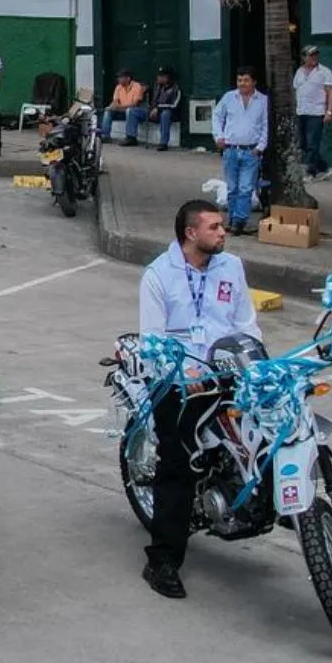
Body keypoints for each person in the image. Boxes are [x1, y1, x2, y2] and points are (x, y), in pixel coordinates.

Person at [137, 199, 262, 599]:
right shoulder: (158, 275)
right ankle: (162, 560)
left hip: (229, 371)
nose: (223, 232)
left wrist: (256, 362)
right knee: (178, 463)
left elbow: (246, 325)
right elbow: (153, 344)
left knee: (270, 432)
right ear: (191, 233)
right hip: (180, 381)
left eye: (222, 226)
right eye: (214, 227)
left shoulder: (232, 267)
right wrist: (182, 375)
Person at [212, 67, 269, 235]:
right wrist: (218, 136)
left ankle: (239, 221)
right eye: (239, 80)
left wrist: (260, 147)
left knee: (245, 188)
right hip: (230, 149)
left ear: (254, 82)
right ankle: (232, 218)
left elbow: (266, 125)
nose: (242, 84)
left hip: (251, 150)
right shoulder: (229, 98)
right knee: (232, 188)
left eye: (246, 80)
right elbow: (217, 116)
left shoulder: (263, 100)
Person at [292, 45, 332, 180]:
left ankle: (310, 173)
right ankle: (324, 168)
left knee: (313, 143)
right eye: (311, 55)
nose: (314, 57)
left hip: (317, 112)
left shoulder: (325, 71)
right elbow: (295, 90)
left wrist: (329, 111)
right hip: (301, 111)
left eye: (316, 54)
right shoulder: (299, 71)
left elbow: (330, 92)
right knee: (304, 144)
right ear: (304, 57)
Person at [127, 67, 180, 150]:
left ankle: (163, 143)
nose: (158, 78)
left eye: (161, 76)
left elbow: (174, 105)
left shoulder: (175, 88)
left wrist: (158, 109)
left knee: (165, 114)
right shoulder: (157, 86)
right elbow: (150, 98)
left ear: (167, 77)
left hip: (166, 114)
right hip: (152, 112)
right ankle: (131, 137)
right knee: (132, 111)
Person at [103, 69, 146, 143]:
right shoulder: (118, 87)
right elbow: (115, 101)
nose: (118, 79)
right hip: (122, 110)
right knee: (108, 111)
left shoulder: (137, 86)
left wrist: (119, 107)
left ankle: (131, 138)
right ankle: (105, 136)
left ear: (128, 78)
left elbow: (135, 104)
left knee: (130, 111)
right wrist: (112, 106)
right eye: (118, 78)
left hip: (135, 111)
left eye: (121, 77)